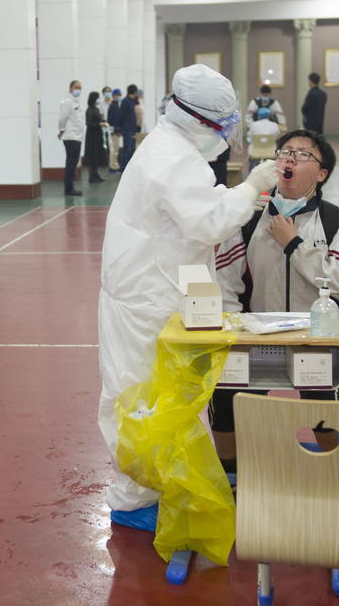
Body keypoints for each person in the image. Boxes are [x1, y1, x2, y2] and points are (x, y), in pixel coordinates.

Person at [98, 64, 282, 532]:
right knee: (140, 399)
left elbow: (193, 208)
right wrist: (253, 185)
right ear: (198, 120)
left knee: (151, 397)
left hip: (149, 290)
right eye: (222, 127)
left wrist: (235, 195)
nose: (224, 135)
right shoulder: (171, 159)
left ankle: (150, 488)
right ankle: (135, 498)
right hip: (146, 299)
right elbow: (208, 223)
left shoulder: (170, 148)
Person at [212, 129, 339, 469]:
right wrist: (235, 338)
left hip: (318, 338)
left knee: (322, 410)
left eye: (304, 154)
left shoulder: (336, 221)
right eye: (285, 152)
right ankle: (232, 475)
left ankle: (330, 469)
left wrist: (293, 243)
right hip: (257, 336)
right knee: (225, 398)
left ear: (322, 174)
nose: (290, 158)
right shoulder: (249, 219)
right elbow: (226, 284)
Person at [57, 80, 85, 196]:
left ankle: (70, 187)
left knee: (73, 163)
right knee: (71, 163)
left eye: (80, 88)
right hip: (70, 137)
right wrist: (61, 130)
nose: (78, 90)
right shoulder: (67, 102)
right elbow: (62, 118)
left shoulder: (76, 102)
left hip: (77, 137)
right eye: (76, 87)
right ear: (70, 89)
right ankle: (69, 188)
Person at [84, 91, 106, 184]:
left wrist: (103, 120)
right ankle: (91, 176)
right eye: (97, 98)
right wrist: (99, 124)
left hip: (97, 134)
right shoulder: (89, 109)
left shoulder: (96, 109)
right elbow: (89, 123)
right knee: (91, 155)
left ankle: (96, 174)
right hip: (91, 135)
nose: (99, 100)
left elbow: (98, 119)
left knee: (96, 155)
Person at [117, 84, 139, 171]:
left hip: (132, 129)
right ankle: (123, 168)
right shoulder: (125, 101)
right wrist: (118, 128)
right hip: (127, 129)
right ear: (134, 92)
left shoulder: (132, 101)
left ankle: (129, 168)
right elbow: (121, 115)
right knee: (127, 149)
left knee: (132, 150)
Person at [106, 88, 123, 173]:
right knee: (114, 150)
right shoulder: (114, 106)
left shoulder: (115, 105)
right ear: (113, 96)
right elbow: (114, 120)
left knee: (114, 149)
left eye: (120, 95)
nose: (119, 96)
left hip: (113, 131)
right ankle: (113, 167)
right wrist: (117, 131)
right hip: (114, 132)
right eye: (117, 95)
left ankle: (113, 166)